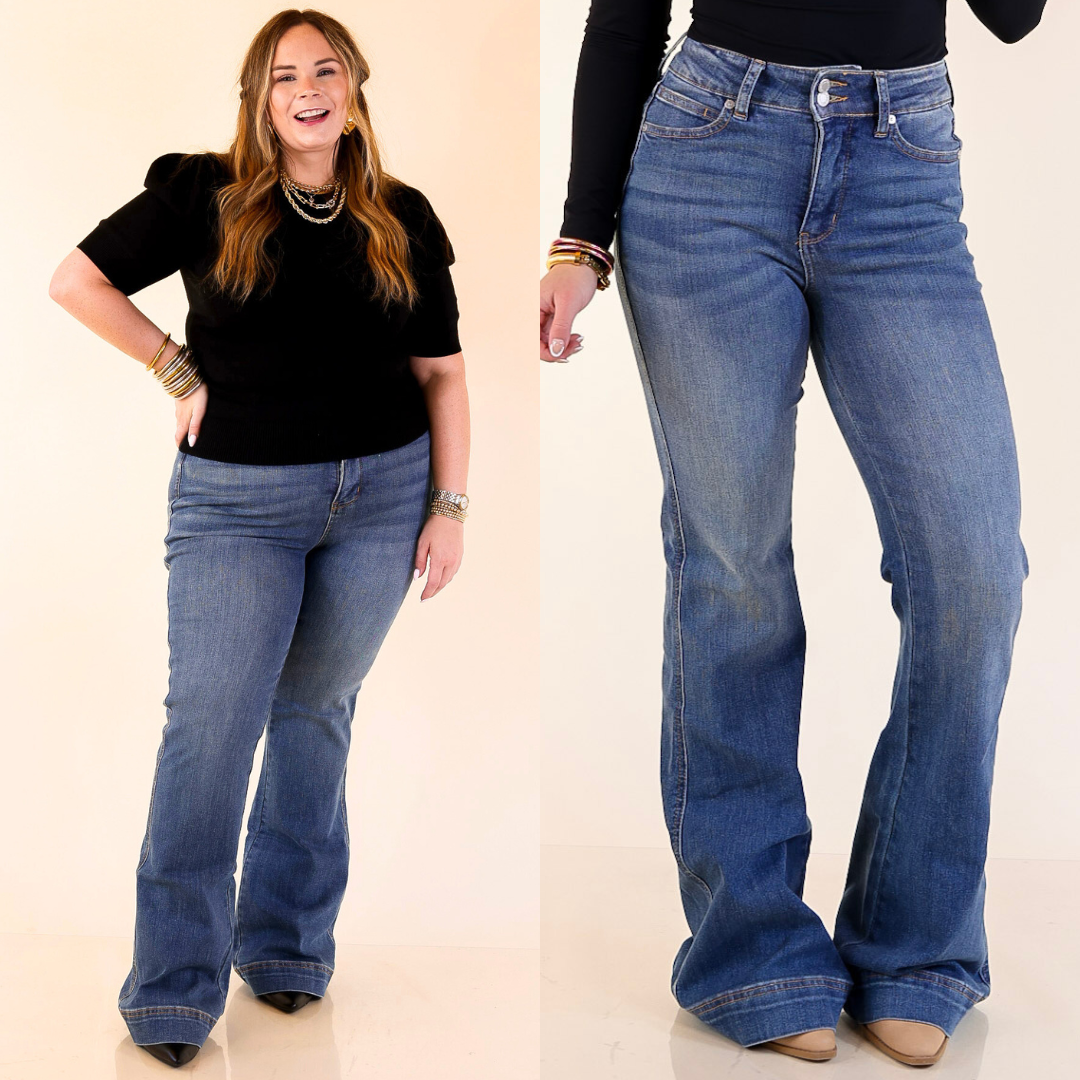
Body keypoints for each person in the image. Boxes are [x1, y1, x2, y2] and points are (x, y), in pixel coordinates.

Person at [539, 0, 1048, 1067]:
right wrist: (583, 233)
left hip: (903, 166)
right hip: (709, 153)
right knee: (734, 569)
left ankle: (913, 949)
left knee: (975, 568)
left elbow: (1014, 16)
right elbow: (627, 8)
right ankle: (752, 951)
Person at [49, 9, 470, 1069]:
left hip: (380, 501)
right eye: (286, 77)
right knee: (212, 729)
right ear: (260, 98)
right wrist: (171, 365)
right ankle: (174, 995)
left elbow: (443, 375)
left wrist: (449, 508)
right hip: (236, 503)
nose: (308, 90)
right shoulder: (203, 194)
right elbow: (76, 281)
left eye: (327, 70)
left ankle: (284, 947)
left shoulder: (402, 217)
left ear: (354, 88)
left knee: (317, 711)